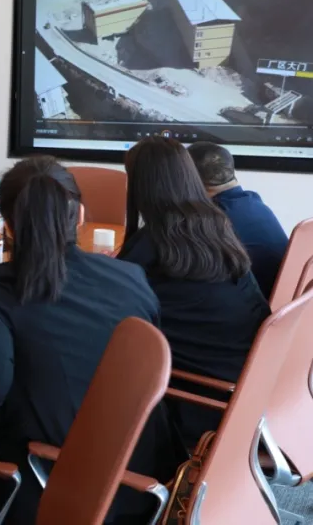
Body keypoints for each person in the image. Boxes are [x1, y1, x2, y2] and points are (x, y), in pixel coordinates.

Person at [0, 156, 176, 523]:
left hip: (56, 486)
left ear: (8, 225)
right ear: (80, 215)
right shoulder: (131, 276)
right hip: (145, 480)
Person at [118, 136, 269, 445]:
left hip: (203, 406)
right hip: (251, 393)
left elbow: (112, 317)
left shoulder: (152, 246)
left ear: (141, 187)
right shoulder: (216, 227)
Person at [187, 141, 288, 299]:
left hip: (258, 304)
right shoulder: (254, 201)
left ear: (190, 178)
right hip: (282, 302)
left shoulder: (218, 220)